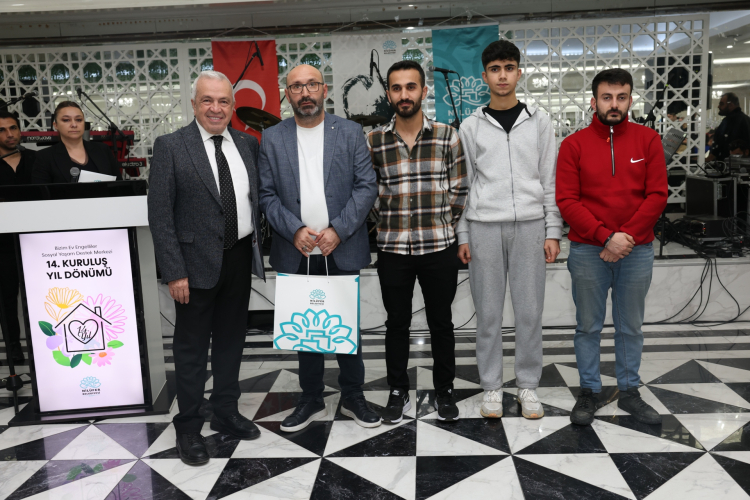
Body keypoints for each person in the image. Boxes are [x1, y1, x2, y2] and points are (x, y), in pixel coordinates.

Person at [148, 71, 266, 465]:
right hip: (193, 265)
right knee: (192, 349)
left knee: (232, 340)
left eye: (223, 101)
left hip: (238, 257)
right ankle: (188, 426)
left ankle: (226, 411)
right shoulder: (171, 146)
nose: (216, 108)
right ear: (194, 104)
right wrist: (174, 271)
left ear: (232, 106)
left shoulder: (247, 144)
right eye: (207, 100)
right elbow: (160, 215)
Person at [258, 64, 380, 432]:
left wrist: (338, 230)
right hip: (295, 248)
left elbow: (366, 186)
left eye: (311, 85)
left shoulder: (350, 132)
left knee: (345, 326)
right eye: (296, 87)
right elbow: (266, 194)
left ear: (324, 89)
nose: (305, 92)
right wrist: (293, 229)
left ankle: (353, 395)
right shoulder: (272, 138)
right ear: (287, 94)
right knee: (305, 329)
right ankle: (310, 398)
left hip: (339, 245)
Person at [456, 40, 562, 420]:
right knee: (487, 314)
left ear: (519, 72)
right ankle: (491, 387)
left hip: (531, 226)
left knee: (529, 312)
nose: (502, 75)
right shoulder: (470, 126)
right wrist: (463, 234)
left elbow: (549, 179)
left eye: (509, 68)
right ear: (484, 76)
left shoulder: (540, 121)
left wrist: (553, 229)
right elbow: (463, 185)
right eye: (495, 69)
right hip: (483, 227)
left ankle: (528, 386)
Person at [556, 68, 668, 426]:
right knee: (588, 326)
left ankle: (629, 391)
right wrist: (606, 237)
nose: (614, 104)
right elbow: (567, 201)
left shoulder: (648, 140)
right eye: (607, 97)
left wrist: (624, 237)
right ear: (594, 101)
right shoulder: (573, 145)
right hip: (589, 250)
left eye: (621, 97)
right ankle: (589, 391)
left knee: (630, 326)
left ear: (630, 100)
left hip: (636, 250)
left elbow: (657, 195)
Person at [367, 61, 467, 424]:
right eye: (396, 88)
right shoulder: (374, 140)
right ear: (389, 94)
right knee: (396, 323)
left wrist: (439, 222)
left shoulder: (447, 136)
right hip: (393, 248)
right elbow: (370, 192)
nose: (404, 94)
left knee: (442, 322)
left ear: (424, 91)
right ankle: (398, 390)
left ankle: (445, 389)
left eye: (411, 87)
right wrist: (388, 220)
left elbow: (459, 190)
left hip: (438, 246)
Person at [0, 110, 35, 365]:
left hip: (35, 241)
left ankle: (43, 346)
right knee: (6, 299)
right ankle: (13, 348)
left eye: (13, 128)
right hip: (2, 244)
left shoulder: (36, 159)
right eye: (2, 130)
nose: (9, 134)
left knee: (41, 295)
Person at [32, 101, 122, 183]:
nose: (74, 125)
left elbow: (119, 185)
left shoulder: (102, 150)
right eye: (66, 120)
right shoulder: (44, 157)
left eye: (78, 120)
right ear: (56, 125)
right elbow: (41, 193)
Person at [709, 92, 750, 162]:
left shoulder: (730, 121)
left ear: (730, 105)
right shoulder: (746, 119)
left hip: (730, 164)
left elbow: (721, 144)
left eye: (721, 104)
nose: (718, 106)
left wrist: (711, 157)